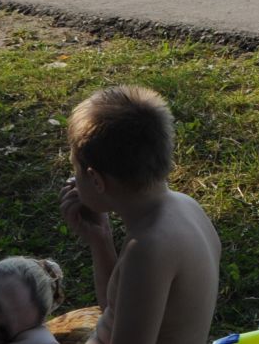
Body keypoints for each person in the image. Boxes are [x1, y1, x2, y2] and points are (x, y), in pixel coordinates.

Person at [58, 86, 220, 344]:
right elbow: (116, 312)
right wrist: (101, 240)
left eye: (75, 169)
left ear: (96, 179)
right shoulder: (187, 208)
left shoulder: (148, 249)